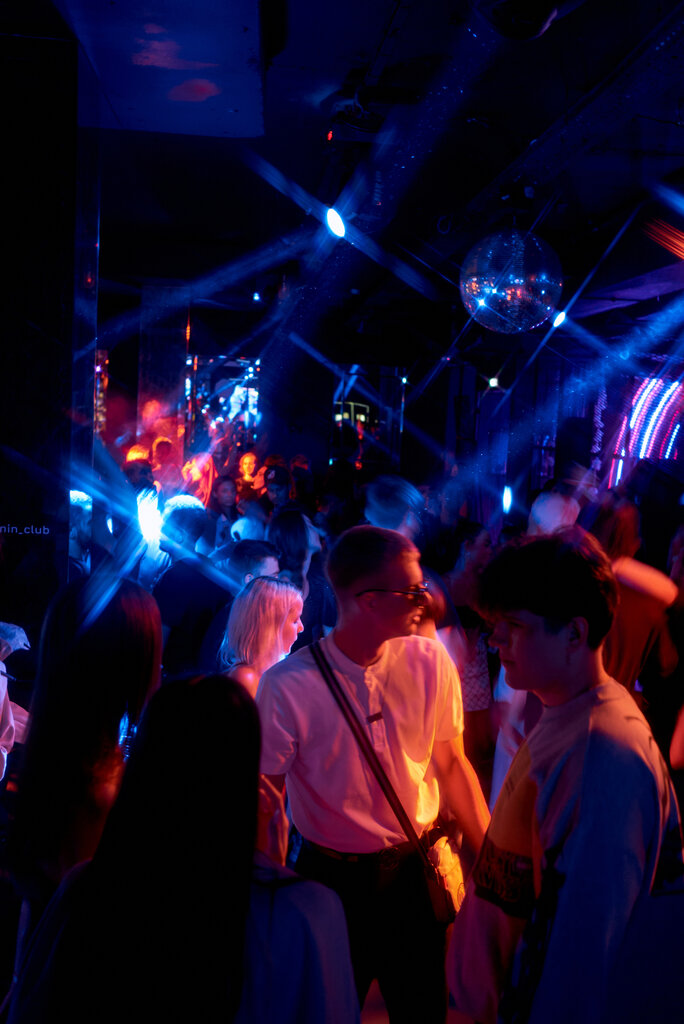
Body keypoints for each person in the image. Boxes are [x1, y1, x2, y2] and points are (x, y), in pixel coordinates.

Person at [6, 676, 360, 1024]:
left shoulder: (85, 886)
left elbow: (32, 1006)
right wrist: (272, 871)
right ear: (244, 779)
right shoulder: (306, 911)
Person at [447, 527, 684, 1024]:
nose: (496, 638)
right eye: (496, 623)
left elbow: (580, 961)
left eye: (514, 624)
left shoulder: (602, 754)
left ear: (575, 633)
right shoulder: (566, 714)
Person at [256, 525, 490, 1023]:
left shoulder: (430, 660)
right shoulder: (287, 686)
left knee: (422, 1010)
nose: (425, 600)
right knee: (325, 1012)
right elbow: (266, 802)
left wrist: (491, 865)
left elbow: (452, 765)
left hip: (414, 871)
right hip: (331, 883)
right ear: (368, 601)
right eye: (412, 591)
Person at [5, 576, 162, 972]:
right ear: (126, 664)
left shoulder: (57, 746)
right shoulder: (101, 785)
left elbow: (38, 901)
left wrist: (22, 977)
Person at [152, 495, 232, 680]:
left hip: (174, 677)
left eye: (164, 525)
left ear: (179, 535)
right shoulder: (212, 569)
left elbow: (159, 636)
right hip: (204, 674)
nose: (159, 529)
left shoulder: (174, 577)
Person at [220, 577, 304, 698]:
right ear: (271, 626)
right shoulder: (246, 678)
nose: (301, 627)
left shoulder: (270, 674)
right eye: (295, 620)